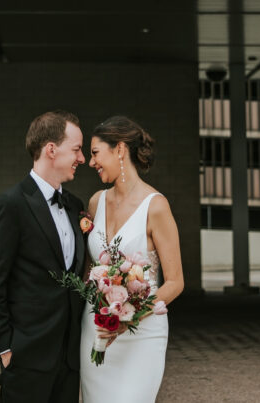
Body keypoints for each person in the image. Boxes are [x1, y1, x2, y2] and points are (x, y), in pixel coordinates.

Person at [0, 110, 88, 403]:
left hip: (68, 359)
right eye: (76, 149)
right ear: (51, 149)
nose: (82, 159)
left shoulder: (76, 205)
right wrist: (4, 349)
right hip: (26, 356)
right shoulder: (11, 204)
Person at [80, 115, 183, 402]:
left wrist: (130, 316)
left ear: (120, 149)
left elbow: (175, 283)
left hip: (141, 334)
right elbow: (90, 273)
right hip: (96, 330)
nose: (91, 162)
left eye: (95, 153)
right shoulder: (95, 202)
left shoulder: (156, 206)